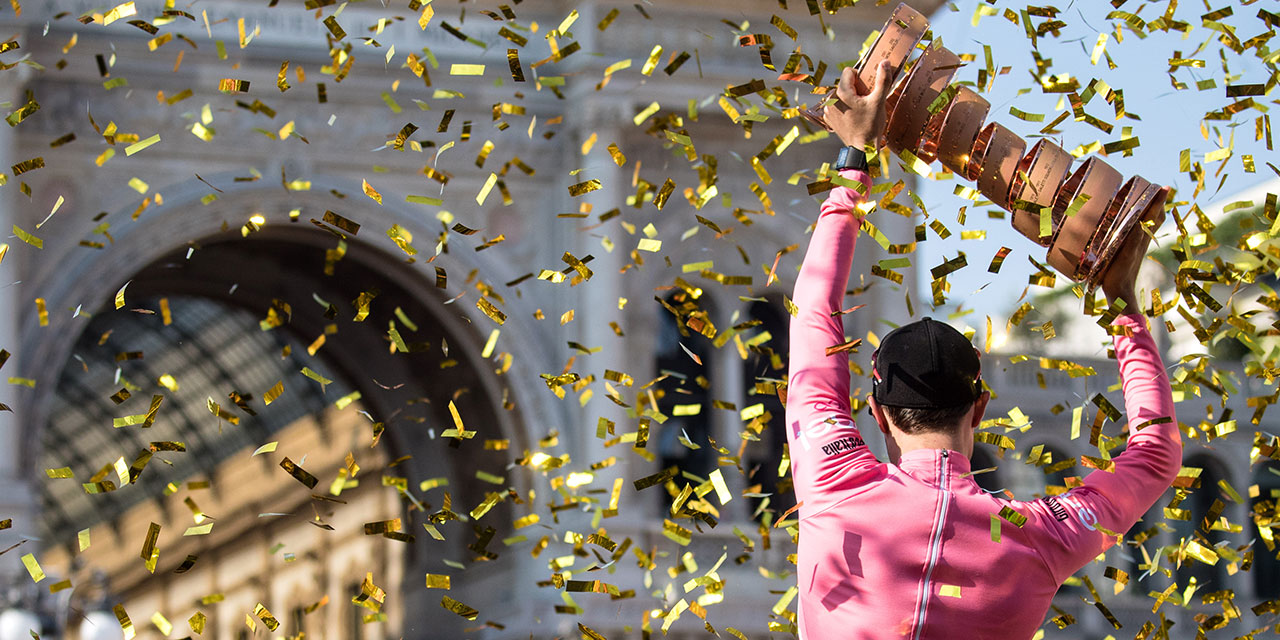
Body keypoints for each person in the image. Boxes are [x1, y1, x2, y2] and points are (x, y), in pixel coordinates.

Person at [785, 60, 1181, 639]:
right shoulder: (1041, 534)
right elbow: (1155, 456)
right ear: (980, 408)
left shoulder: (833, 484)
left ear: (878, 414)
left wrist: (854, 163)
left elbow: (812, 316)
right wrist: (1122, 304)